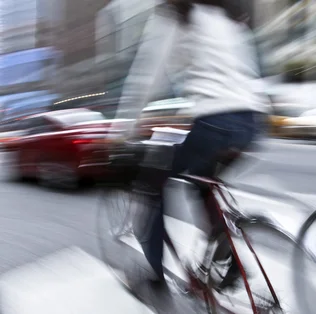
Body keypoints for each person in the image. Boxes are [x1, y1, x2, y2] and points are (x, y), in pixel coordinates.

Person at [108, 0, 270, 292]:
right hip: (252, 121)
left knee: (152, 185)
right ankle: (230, 262)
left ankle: (154, 274)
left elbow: (147, 79)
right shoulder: (224, 13)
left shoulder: (176, 14)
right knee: (201, 183)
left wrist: (121, 132)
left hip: (215, 121)